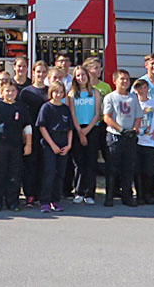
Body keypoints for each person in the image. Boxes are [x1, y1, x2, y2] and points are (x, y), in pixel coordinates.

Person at [0, 79, 31, 212]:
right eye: (7, 91)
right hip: (0, 144)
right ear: (2, 91)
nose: (10, 93)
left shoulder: (21, 107)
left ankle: (13, 202)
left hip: (16, 145)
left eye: (12, 91)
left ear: (17, 92)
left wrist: (29, 144)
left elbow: (27, 126)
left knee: (15, 173)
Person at [102, 69, 142, 207]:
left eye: (127, 79)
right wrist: (121, 129)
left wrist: (135, 129)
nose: (125, 81)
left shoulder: (133, 98)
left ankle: (127, 196)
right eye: (122, 79)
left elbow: (138, 116)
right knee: (112, 168)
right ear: (115, 81)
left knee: (128, 168)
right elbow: (107, 117)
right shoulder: (110, 97)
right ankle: (109, 196)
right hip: (115, 137)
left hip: (130, 138)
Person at [37, 81, 73, 213]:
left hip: (63, 144)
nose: (58, 94)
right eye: (56, 92)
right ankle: (45, 201)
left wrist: (69, 145)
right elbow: (42, 127)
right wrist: (52, 145)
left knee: (60, 173)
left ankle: (55, 200)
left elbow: (70, 129)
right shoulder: (46, 107)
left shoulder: (65, 108)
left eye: (61, 92)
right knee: (49, 172)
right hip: (50, 145)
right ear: (51, 92)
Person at [19, 60, 50, 205]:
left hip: (46, 132)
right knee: (30, 164)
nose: (41, 74)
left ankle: (41, 194)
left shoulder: (49, 91)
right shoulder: (26, 92)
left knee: (44, 164)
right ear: (33, 73)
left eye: (43, 72)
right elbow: (22, 114)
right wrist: (24, 133)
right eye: (38, 72)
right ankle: (29, 194)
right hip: (31, 131)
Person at [69, 65, 101, 205]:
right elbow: (72, 113)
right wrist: (80, 131)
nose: (81, 78)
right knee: (79, 162)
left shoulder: (95, 92)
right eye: (78, 75)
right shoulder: (72, 94)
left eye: (83, 75)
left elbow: (97, 113)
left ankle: (89, 193)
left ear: (87, 76)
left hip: (92, 128)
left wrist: (87, 130)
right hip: (77, 129)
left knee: (91, 162)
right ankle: (79, 191)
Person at [132, 78, 154, 205]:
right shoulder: (133, 103)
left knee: (149, 170)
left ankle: (148, 194)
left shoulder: (153, 104)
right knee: (137, 170)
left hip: (150, 141)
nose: (142, 90)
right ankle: (139, 195)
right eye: (139, 88)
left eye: (144, 87)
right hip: (136, 141)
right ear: (135, 90)